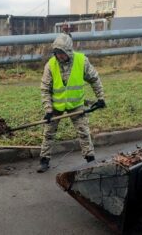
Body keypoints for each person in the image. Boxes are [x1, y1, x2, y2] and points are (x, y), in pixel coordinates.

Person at [37, 33, 106, 173]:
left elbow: (94, 79)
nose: (59, 56)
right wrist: (48, 109)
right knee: (49, 132)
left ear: (68, 51)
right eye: (56, 53)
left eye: (62, 53)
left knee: (83, 131)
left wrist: (100, 98)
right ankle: (44, 160)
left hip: (76, 105)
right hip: (56, 106)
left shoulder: (81, 60)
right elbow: (45, 89)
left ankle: (90, 160)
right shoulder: (50, 65)